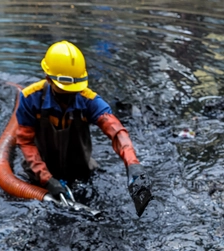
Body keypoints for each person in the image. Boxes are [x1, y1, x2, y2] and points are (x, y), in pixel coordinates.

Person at [15, 40, 152, 215]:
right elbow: (25, 142)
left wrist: (132, 163)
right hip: (40, 173)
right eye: (66, 90)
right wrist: (46, 179)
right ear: (49, 79)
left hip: (79, 170)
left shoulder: (88, 100)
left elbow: (115, 130)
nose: (72, 94)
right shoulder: (30, 98)